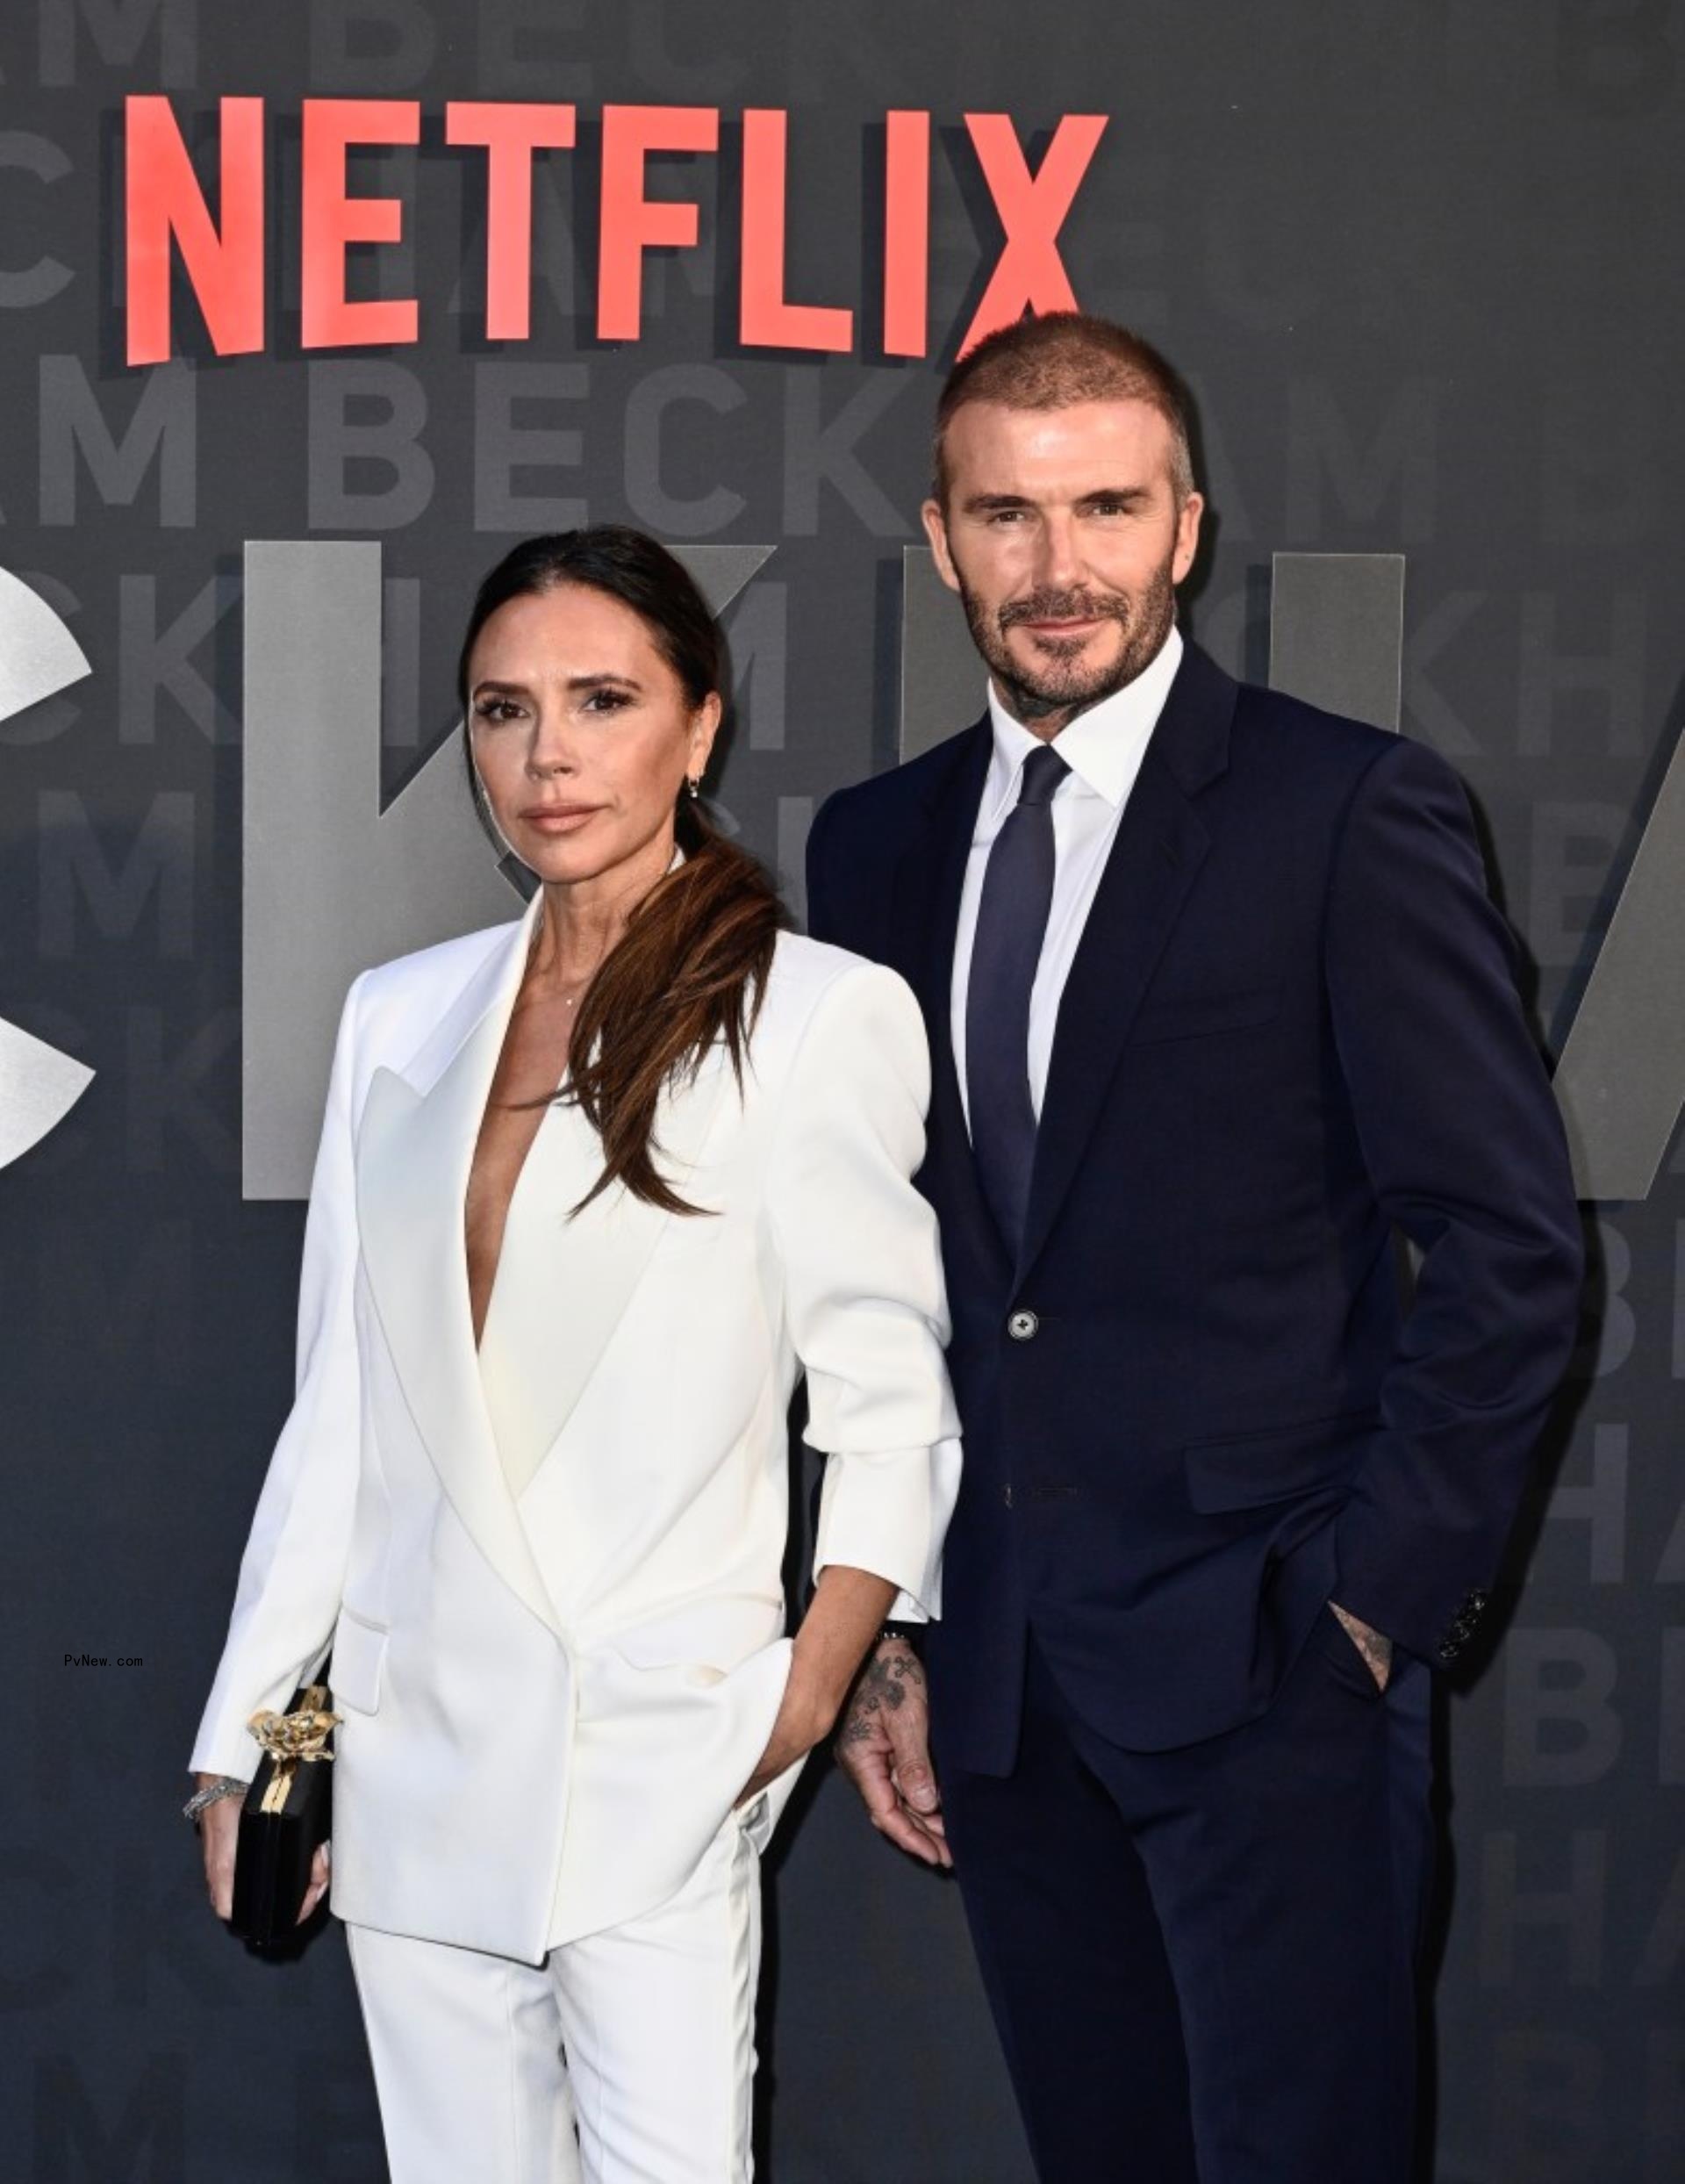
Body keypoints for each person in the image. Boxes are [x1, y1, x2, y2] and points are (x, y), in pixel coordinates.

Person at [807, 313, 1583, 2182]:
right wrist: (889, 1629)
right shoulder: (875, 846)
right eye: (1008, 514)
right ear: (940, 538)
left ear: (1186, 526)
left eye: (1106, 508)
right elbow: (873, 1277)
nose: (1058, 566)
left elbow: (1508, 1246)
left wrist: (1369, 1606)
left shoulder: (1344, 809)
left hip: (1275, 1673)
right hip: (1004, 1684)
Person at [186, 527, 960, 2184]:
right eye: (502, 709)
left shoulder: (816, 1014)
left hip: (657, 1751)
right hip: (413, 1748)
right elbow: (344, 1411)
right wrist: (244, 1734)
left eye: (602, 701)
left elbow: (891, 1407)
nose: (548, 756)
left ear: (700, 723)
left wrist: (793, 1703)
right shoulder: (400, 1014)